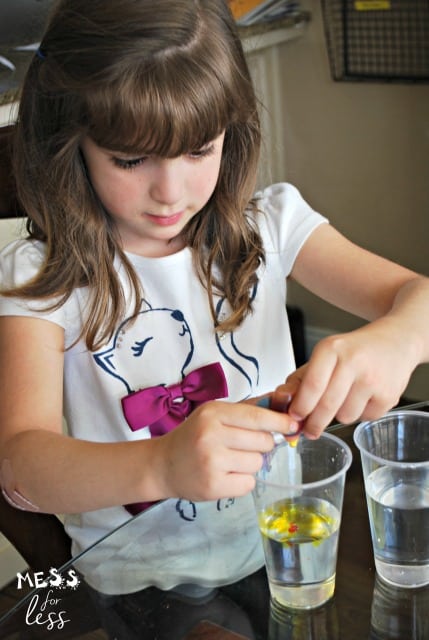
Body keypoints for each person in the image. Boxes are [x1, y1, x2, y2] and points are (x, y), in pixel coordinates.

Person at [0, 0, 428, 631]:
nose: (170, 192)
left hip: (283, 540)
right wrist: (162, 464)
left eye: (200, 150)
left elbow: (419, 298)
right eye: (130, 159)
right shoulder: (42, 277)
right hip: (137, 580)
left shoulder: (272, 226)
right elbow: (19, 467)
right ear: (73, 140)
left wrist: (395, 340)